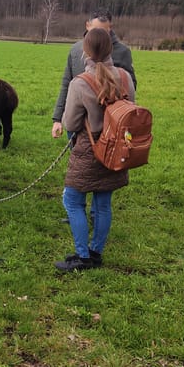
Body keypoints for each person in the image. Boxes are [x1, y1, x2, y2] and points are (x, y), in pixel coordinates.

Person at [55, 27, 134, 272]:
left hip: (90, 149)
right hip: (117, 148)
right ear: (111, 49)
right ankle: (95, 252)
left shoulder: (81, 83)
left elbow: (70, 123)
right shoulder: (124, 77)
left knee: (72, 200)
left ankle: (82, 257)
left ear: (85, 51)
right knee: (102, 203)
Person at [51, 8, 136, 140]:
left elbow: (130, 89)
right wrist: (57, 118)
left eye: (103, 32)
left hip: (111, 129)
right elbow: (66, 84)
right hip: (78, 127)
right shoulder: (76, 50)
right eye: (95, 31)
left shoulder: (122, 52)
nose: (98, 37)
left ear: (110, 28)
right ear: (87, 25)